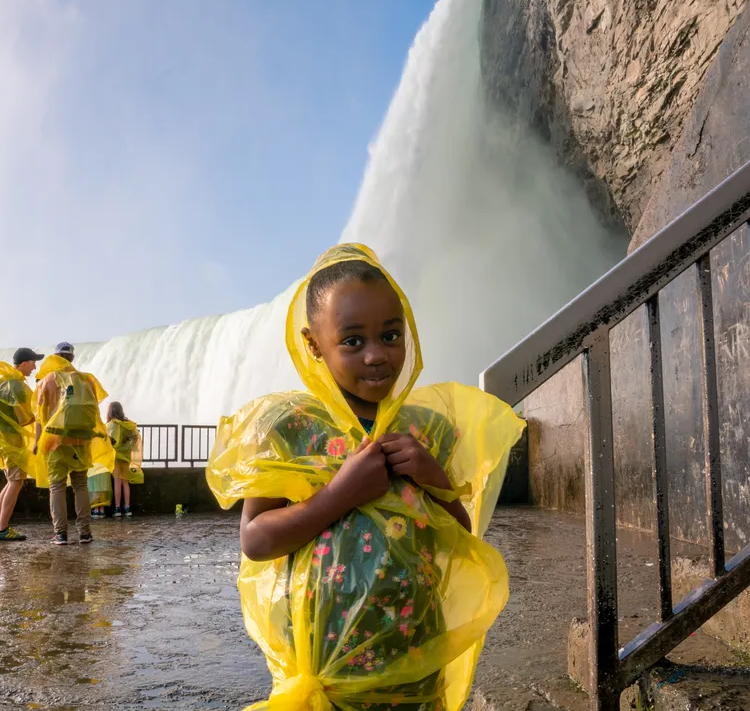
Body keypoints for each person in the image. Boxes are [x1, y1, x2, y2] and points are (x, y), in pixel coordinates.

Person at [206, 244, 525, 710]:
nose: (377, 356)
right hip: (328, 667)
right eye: (353, 341)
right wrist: (339, 494)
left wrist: (433, 476)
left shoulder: (428, 429)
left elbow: (461, 533)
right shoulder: (289, 427)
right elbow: (255, 540)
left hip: (414, 655)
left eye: (391, 336)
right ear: (314, 344)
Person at [33, 342, 115, 546]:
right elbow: (94, 413)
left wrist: (36, 441)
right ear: (72, 358)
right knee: (80, 485)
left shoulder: (47, 381)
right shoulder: (86, 380)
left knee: (57, 487)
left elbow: (38, 415)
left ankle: (60, 533)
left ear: (55, 357)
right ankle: (85, 533)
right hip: (81, 440)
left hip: (55, 441)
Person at [0, 347, 44, 542]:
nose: (34, 366)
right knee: (15, 482)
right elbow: (28, 415)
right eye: (32, 362)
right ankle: (2, 529)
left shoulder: (3, 383)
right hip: (11, 440)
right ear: (23, 363)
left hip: (2, 439)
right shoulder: (16, 385)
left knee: (10, 481)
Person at [105, 401, 143, 518]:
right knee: (125, 483)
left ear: (110, 412)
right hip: (126, 456)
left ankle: (117, 508)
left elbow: (108, 441)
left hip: (116, 457)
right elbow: (135, 439)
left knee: (117, 482)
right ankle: (127, 507)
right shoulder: (128, 425)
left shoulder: (111, 425)